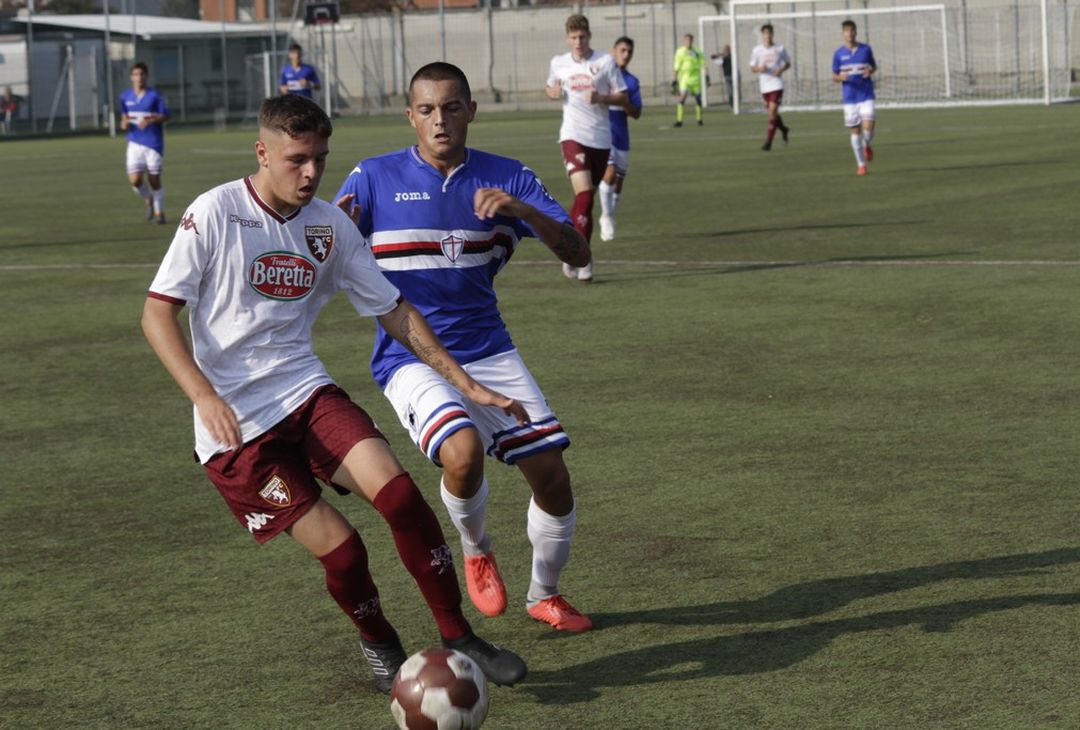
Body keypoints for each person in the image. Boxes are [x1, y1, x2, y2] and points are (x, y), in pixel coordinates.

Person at [141, 94, 528, 695]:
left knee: (400, 495)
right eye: (297, 159)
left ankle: (458, 634)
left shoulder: (329, 224)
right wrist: (203, 395)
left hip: (305, 392)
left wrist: (465, 382)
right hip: (235, 430)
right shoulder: (213, 213)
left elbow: (395, 311)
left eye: (320, 158)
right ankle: (382, 645)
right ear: (263, 152)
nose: (311, 173)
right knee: (344, 554)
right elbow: (157, 314)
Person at [334, 62, 594, 634]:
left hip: (489, 349)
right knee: (462, 452)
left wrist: (525, 213)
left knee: (551, 474)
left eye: (452, 107)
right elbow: (325, 246)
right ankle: (476, 547)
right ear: (410, 116)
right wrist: (331, 234)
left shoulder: (509, 177)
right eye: (426, 109)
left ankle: (544, 594)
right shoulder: (373, 177)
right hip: (410, 356)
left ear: (471, 111)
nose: (440, 120)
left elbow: (577, 253)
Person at [545, 13, 627, 283]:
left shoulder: (604, 62)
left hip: (601, 139)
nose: (578, 41)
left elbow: (623, 97)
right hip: (572, 136)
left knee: (586, 203)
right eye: (573, 37)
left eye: (582, 36)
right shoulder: (559, 63)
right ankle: (582, 256)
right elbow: (550, 87)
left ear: (589, 36)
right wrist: (552, 92)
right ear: (567, 39)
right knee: (586, 195)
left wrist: (602, 97)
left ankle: (574, 251)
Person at [598, 37, 642, 243]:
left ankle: (610, 213)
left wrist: (624, 103)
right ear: (614, 51)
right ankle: (605, 217)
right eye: (622, 50)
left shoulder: (632, 82)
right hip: (603, 134)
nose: (626, 54)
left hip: (621, 136)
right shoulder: (602, 75)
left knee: (618, 181)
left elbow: (637, 113)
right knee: (609, 173)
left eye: (629, 51)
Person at [120, 62, 170, 224]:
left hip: (153, 143)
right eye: (135, 74)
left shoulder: (155, 96)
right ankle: (147, 198)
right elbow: (124, 119)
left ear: (146, 76)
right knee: (135, 180)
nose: (139, 77)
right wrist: (124, 124)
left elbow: (166, 115)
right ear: (131, 77)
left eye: (141, 74)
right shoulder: (125, 97)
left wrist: (150, 120)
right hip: (134, 143)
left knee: (154, 179)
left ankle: (159, 212)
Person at [832, 19, 877, 176]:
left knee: (868, 126)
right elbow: (834, 76)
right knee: (855, 133)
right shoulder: (838, 54)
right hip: (850, 98)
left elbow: (874, 66)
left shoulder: (866, 49)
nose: (849, 34)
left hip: (866, 94)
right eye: (846, 31)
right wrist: (840, 78)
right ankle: (861, 165)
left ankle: (867, 144)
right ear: (843, 33)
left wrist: (869, 72)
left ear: (856, 32)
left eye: (852, 30)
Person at [749, 24, 791, 151]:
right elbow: (752, 67)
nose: (767, 36)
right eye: (765, 33)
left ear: (773, 34)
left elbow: (788, 63)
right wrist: (759, 68)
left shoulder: (780, 48)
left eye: (769, 33)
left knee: (772, 111)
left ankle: (768, 142)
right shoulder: (757, 50)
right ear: (762, 35)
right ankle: (784, 129)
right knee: (772, 113)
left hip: (777, 84)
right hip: (764, 86)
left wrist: (781, 69)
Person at [672, 33, 707, 127]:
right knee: (683, 97)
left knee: (698, 99)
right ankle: (679, 120)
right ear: (684, 41)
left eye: (690, 40)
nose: (688, 42)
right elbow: (676, 66)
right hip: (684, 78)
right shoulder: (680, 52)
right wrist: (674, 79)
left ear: (692, 41)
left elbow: (703, 63)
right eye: (687, 40)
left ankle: (699, 120)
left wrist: (707, 75)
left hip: (695, 78)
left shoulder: (697, 51)